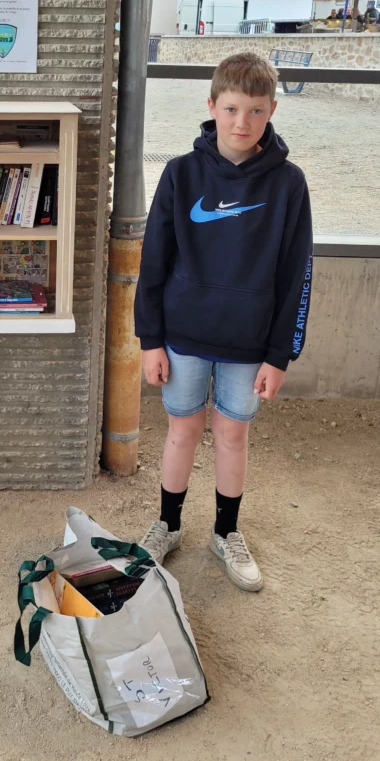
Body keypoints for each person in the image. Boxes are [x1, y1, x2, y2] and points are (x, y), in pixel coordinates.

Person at [134, 53, 312, 592]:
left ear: (272, 111)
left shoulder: (289, 184)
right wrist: (150, 340)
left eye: (255, 110)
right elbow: (153, 260)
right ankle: (167, 525)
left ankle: (226, 531)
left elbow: (296, 275)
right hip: (183, 337)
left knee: (232, 434)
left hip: (248, 344)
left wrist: (280, 355)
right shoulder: (180, 173)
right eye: (232, 108)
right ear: (212, 106)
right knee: (183, 431)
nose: (242, 121)